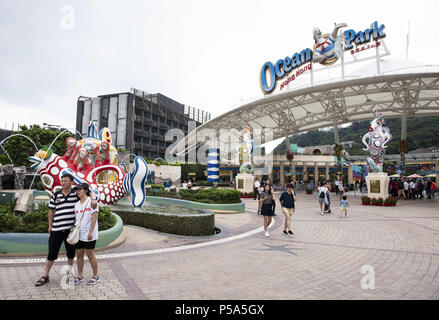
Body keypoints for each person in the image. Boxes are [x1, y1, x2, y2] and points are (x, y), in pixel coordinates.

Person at [34, 174, 97, 287]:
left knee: (71, 254)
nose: (63, 183)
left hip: (70, 231)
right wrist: (50, 226)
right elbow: (50, 210)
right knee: (51, 253)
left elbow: (89, 192)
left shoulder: (76, 193)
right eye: (62, 181)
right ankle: (45, 275)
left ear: (71, 182)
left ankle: (70, 273)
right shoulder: (56, 194)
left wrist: (93, 199)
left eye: (66, 181)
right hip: (57, 229)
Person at [72, 183, 100, 285]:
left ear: (86, 190)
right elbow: (76, 218)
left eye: (80, 189)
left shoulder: (91, 202)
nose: (78, 191)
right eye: (76, 190)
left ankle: (95, 276)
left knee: (90, 255)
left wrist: (91, 232)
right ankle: (80, 276)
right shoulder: (76, 204)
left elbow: (94, 217)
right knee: (79, 255)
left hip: (89, 234)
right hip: (79, 234)